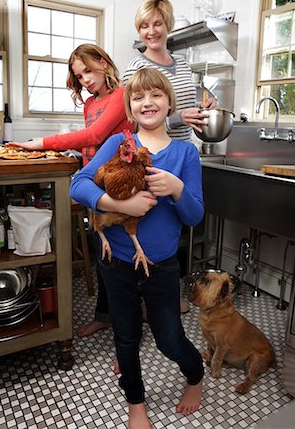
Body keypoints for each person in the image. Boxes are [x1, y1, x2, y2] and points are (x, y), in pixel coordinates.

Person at [69, 67, 205, 428]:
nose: (148, 102)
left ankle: (195, 376)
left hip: (161, 266)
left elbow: (194, 216)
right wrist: (120, 206)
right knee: (125, 336)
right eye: (139, 96)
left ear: (169, 102)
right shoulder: (118, 144)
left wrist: (177, 188)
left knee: (170, 339)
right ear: (129, 108)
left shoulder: (185, 155)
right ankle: (136, 404)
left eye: (156, 95)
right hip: (117, 264)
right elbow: (77, 184)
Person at [9, 43, 134, 337]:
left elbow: (95, 134)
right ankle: (106, 316)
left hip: (117, 184)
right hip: (94, 184)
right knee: (102, 254)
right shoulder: (91, 103)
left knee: (120, 258)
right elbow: (89, 145)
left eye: (88, 70)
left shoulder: (123, 94)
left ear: (104, 62)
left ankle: (127, 332)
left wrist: (41, 142)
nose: (86, 80)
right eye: (79, 76)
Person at [122, 0, 217, 142]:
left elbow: (183, 105)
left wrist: (203, 108)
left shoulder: (183, 64)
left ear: (168, 25)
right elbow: (131, 124)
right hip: (154, 151)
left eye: (158, 24)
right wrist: (178, 118)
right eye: (144, 26)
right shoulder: (136, 69)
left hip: (184, 148)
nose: (151, 31)